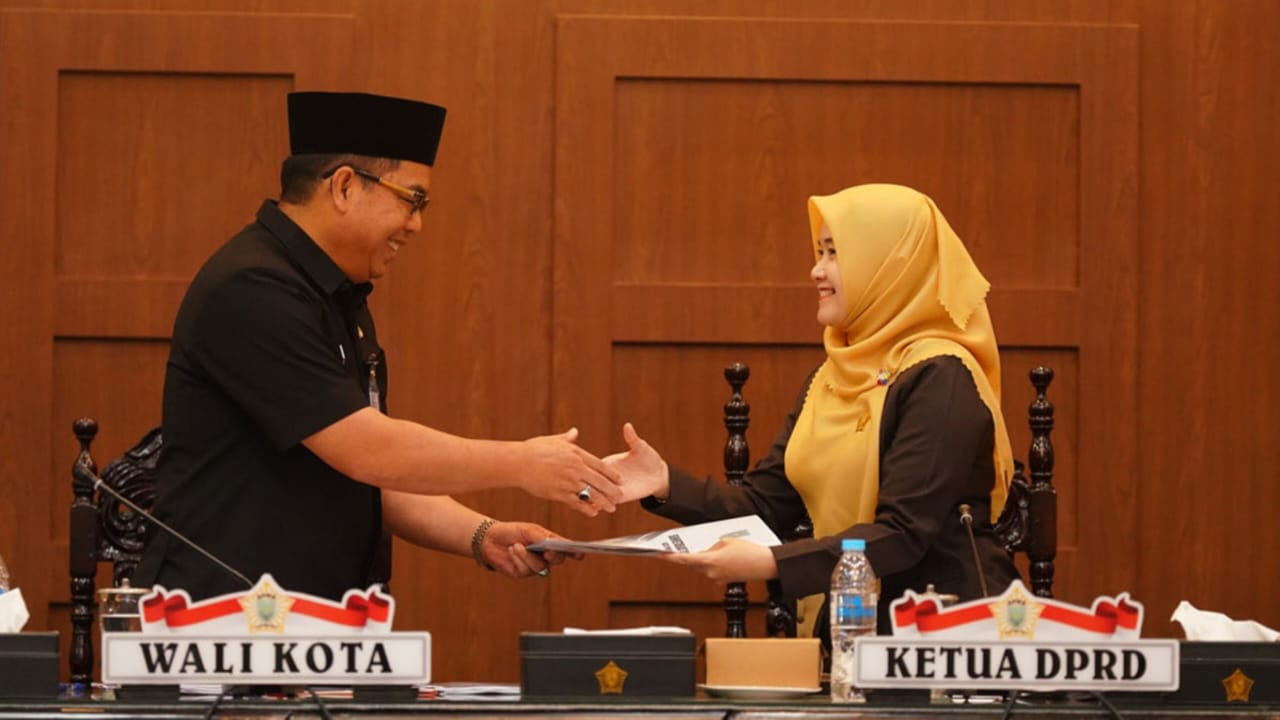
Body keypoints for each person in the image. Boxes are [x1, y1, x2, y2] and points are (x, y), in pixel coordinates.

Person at [134, 91, 620, 602]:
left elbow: (370, 475)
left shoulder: (335, 292)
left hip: (316, 613)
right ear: (344, 186)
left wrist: (481, 535)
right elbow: (368, 450)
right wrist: (523, 463)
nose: (416, 224)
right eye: (413, 200)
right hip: (224, 617)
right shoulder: (252, 287)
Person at [605, 183, 1019, 637]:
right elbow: (765, 505)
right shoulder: (831, 376)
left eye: (834, 253)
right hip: (852, 630)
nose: (816, 270)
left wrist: (771, 562)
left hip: (941, 635)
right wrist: (663, 483)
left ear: (889, 264)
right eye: (820, 252)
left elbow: (904, 533)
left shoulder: (942, 376)